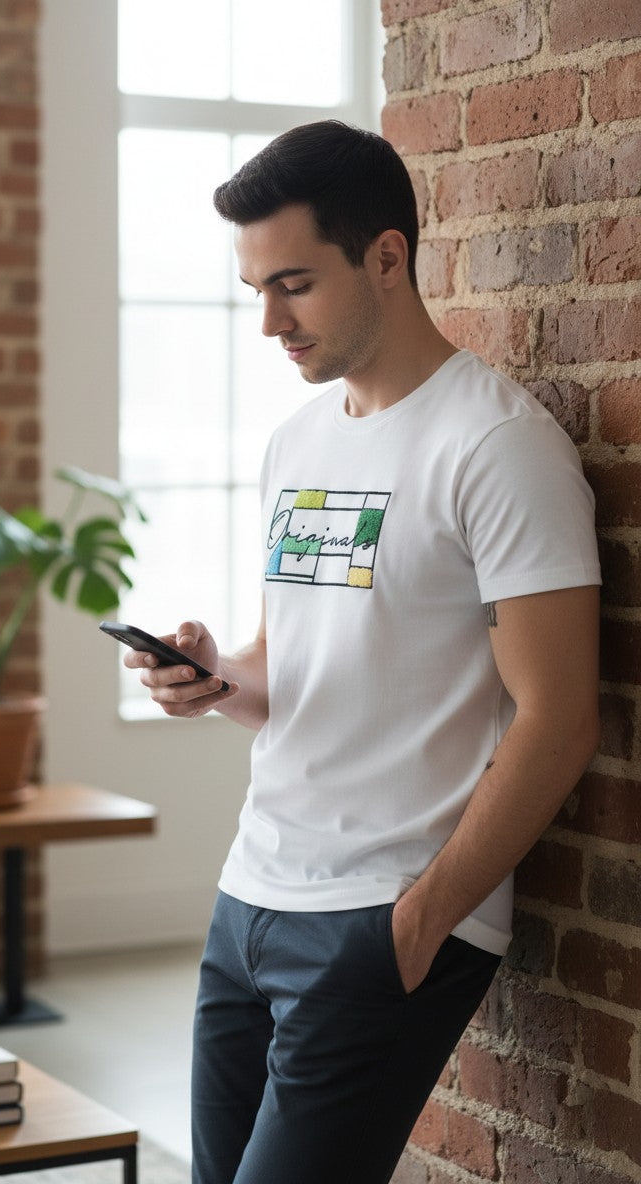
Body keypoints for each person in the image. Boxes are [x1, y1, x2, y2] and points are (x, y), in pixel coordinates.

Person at [124, 120, 601, 1184]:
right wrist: (214, 677)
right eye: (254, 288)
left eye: (292, 284)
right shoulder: (299, 443)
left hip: (375, 920)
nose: (268, 322)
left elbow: (561, 718)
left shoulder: (497, 445)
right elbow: (291, 667)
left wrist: (422, 919)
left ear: (387, 256)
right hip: (248, 899)